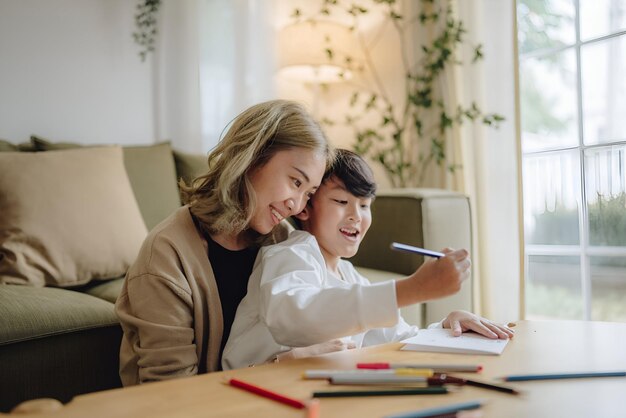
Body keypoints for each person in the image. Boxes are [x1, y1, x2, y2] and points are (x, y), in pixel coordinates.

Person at [222, 149, 514, 370]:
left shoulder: (349, 275)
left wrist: (448, 326)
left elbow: (397, 338)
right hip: (252, 385)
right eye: (341, 202)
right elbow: (295, 316)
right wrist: (412, 289)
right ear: (305, 208)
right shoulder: (291, 254)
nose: (355, 215)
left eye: (364, 205)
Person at [114, 100, 335, 385]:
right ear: (253, 156)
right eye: (295, 182)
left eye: (308, 193)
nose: (296, 205)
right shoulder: (166, 256)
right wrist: (280, 367)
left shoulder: (280, 239)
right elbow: (169, 394)